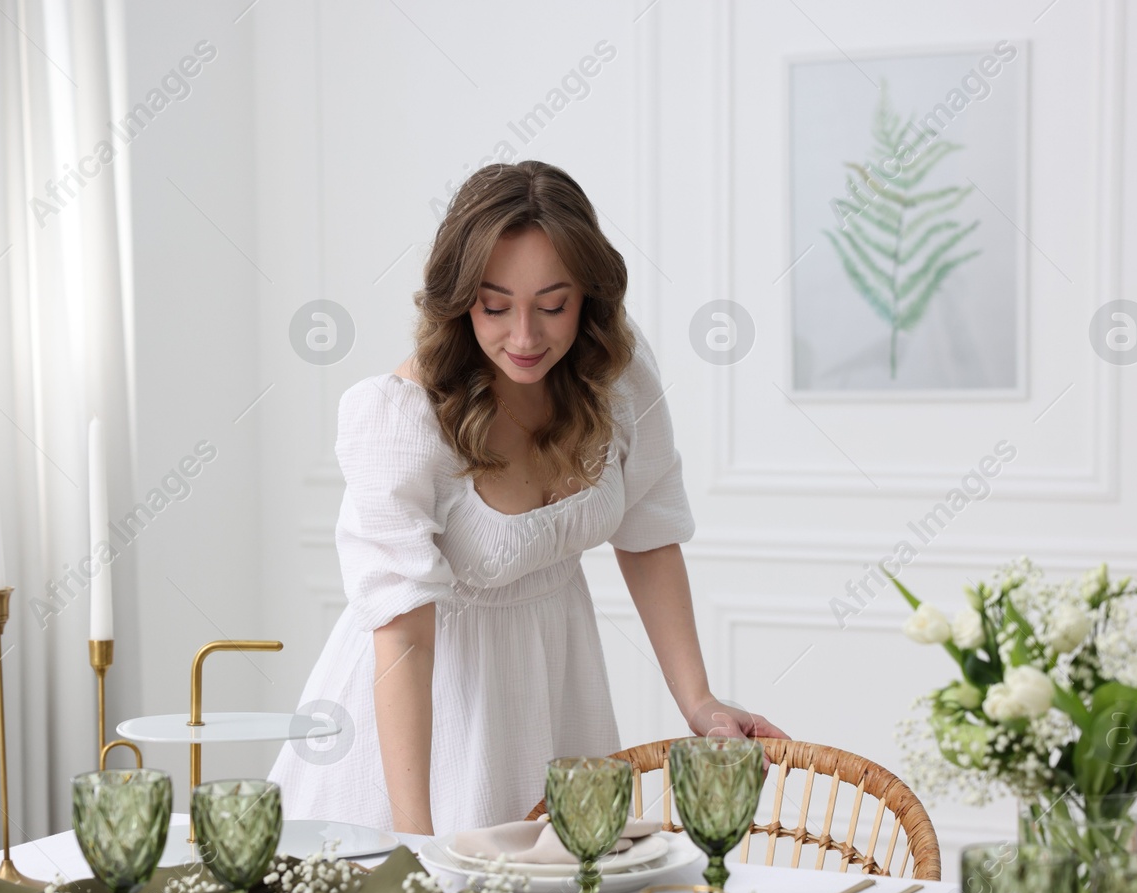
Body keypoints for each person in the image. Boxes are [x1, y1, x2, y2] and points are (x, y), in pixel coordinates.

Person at [267, 161, 785, 835]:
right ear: (459, 301)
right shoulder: (400, 418)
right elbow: (404, 636)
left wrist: (698, 699)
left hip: (557, 683)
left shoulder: (616, 374)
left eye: (552, 305)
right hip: (425, 721)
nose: (525, 338)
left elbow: (649, 529)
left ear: (588, 299)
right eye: (495, 306)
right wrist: (415, 838)